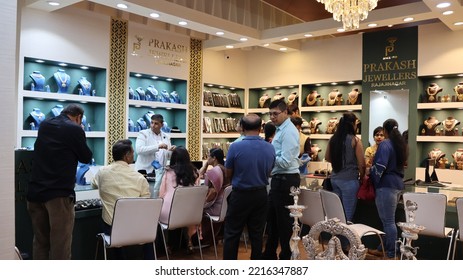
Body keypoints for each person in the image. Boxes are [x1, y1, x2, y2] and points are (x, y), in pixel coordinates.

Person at [27, 104, 93, 260]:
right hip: (58, 196)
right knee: (60, 247)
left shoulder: (45, 124)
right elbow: (86, 157)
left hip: (35, 193)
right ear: (78, 117)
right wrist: (81, 131)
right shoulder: (75, 129)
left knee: (40, 243)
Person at [223, 114, 275, 259]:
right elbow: (269, 171)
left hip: (240, 194)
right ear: (261, 128)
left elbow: (228, 172)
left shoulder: (235, 147)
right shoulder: (270, 148)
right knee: (257, 234)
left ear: (243, 127)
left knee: (232, 233)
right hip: (261, 195)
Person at [92, 139, 152, 259]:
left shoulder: (102, 172)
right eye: (132, 152)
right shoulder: (140, 178)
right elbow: (146, 204)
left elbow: (94, 184)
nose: (133, 154)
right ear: (127, 156)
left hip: (112, 230)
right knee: (149, 232)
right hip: (136, 229)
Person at [262, 99, 300, 260]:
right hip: (280, 179)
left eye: (275, 114)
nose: (272, 117)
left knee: (283, 222)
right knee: (273, 220)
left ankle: (286, 256)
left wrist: (268, 157)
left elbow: (285, 161)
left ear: (285, 112)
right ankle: (270, 253)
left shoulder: (289, 131)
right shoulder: (281, 129)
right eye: (270, 114)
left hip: (286, 180)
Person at [370, 119, 407, 260]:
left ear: (385, 130)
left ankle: (391, 253)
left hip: (386, 185)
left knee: (388, 221)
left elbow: (380, 167)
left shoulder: (385, 144)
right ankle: (382, 248)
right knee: (388, 220)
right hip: (397, 184)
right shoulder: (400, 145)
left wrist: (372, 176)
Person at [159, 146, 200, 254]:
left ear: (173, 158)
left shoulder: (168, 172)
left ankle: (167, 244)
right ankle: (189, 241)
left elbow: (161, 194)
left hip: (171, 213)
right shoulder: (195, 173)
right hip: (191, 214)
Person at [325, 112, 365, 223]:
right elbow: (362, 163)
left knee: (337, 213)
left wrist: (339, 161)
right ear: (352, 124)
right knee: (347, 216)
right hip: (350, 180)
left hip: (335, 178)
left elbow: (327, 157)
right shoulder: (355, 140)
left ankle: (336, 238)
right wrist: (361, 176)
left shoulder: (333, 139)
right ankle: (345, 239)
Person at [135, 113, 175, 197]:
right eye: (152, 123)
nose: (153, 125)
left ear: (162, 124)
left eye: (156, 123)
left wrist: (172, 151)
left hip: (160, 173)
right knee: (145, 197)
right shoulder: (143, 134)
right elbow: (139, 150)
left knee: (158, 197)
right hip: (145, 172)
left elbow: (167, 155)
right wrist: (157, 146)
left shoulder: (166, 137)